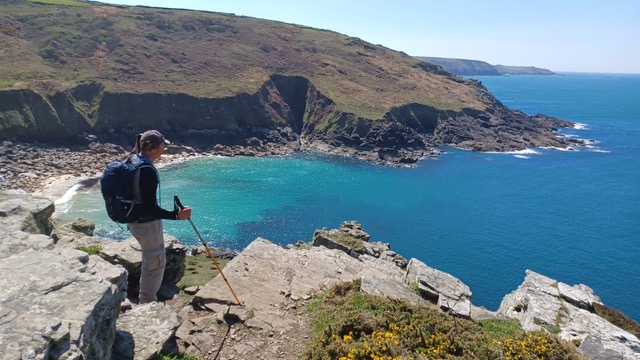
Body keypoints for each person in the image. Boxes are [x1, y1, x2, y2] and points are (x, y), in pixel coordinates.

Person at [128, 129, 192, 303]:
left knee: (148, 259)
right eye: (163, 146)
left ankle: (142, 294)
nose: (164, 149)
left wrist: (139, 143)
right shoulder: (147, 171)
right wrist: (177, 216)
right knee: (155, 263)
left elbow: (135, 150)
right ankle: (146, 305)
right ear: (155, 148)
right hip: (146, 224)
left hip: (132, 220)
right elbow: (150, 208)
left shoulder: (132, 160)